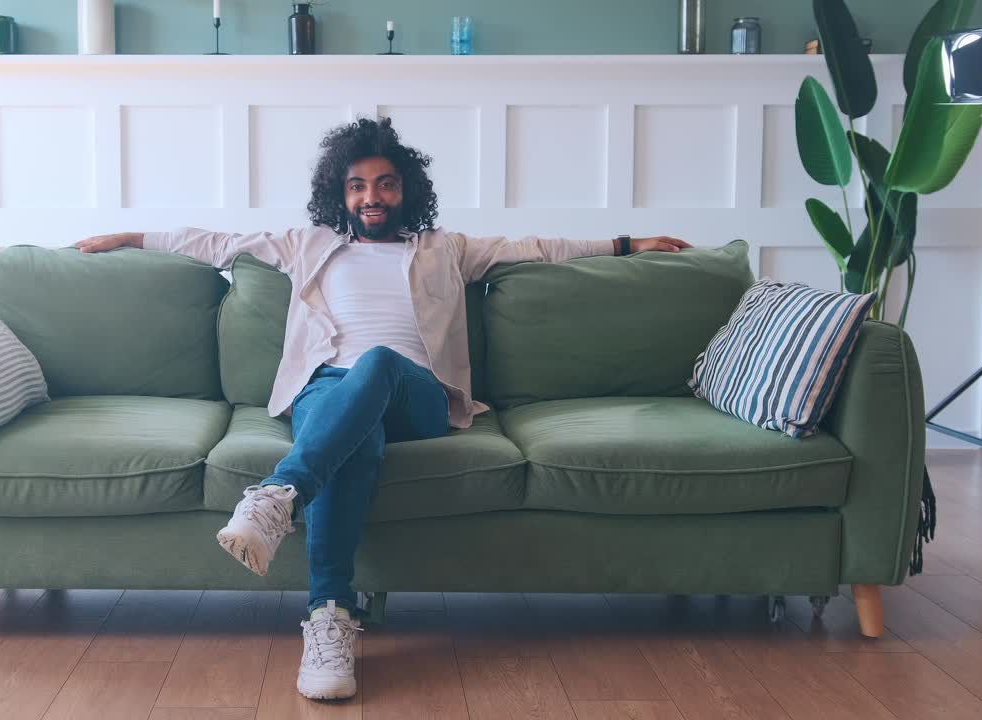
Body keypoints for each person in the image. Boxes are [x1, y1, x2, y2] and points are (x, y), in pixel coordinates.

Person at [76, 116, 690, 701]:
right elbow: (212, 241)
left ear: (406, 190)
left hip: (417, 395)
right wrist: (133, 235)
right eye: (359, 185)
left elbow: (533, 247)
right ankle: (329, 623)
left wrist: (628, 243)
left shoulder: (444, 248)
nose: (373, 196)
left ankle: (280, 494)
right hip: (325, 391)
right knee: (353, 440)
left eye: (386, 183)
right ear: (340, 194)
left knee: (377, 364)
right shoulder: (308, 244)